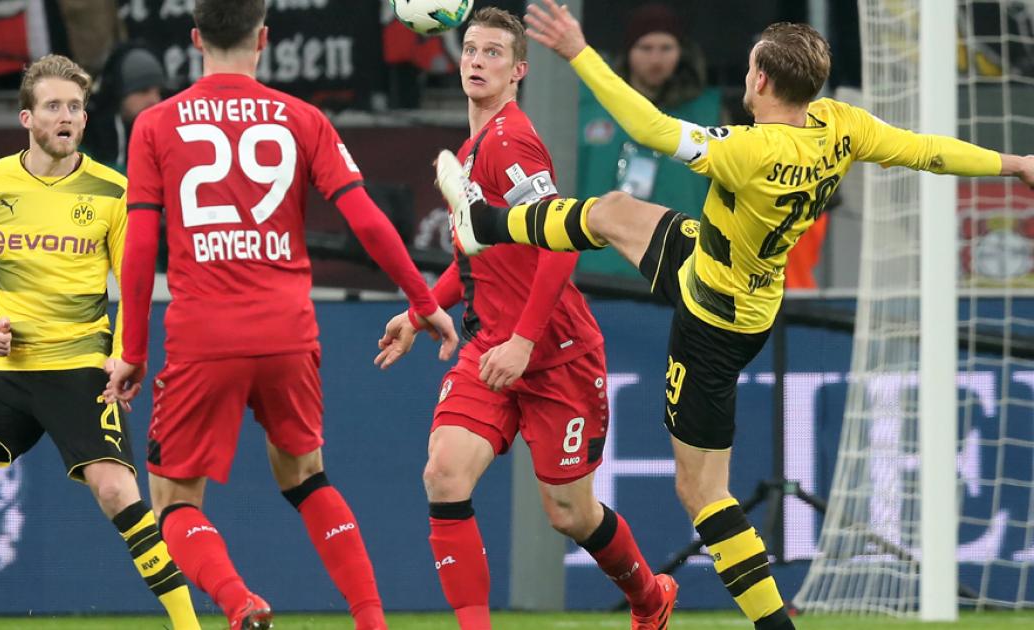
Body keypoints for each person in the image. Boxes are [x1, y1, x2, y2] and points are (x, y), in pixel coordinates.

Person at [438, 2, 1034, 628]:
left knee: (703, 493)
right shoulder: (842, 126)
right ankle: (487, 224)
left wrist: (580, 53)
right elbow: (926, 151)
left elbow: (650, 128)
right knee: (614, 211)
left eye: (750, 68)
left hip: (713, 323)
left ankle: (774, 625)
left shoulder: (748, 149)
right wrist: (1016, 163)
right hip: (719, 267)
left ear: (761, 80)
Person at [103, 1, 459, 629]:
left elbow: (138, 247)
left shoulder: (155, 124)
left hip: (204, 335)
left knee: (173, 502)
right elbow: (366, 219)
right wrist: (423, 301)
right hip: (288, 331)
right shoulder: (302, 118)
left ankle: (240, 603)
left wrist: (132, 350)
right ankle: (372, 622)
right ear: (264, 38)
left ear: (195, 39)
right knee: (306, 477)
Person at [375, 8, 675, 630]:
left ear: (519, 71)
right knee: (444, 474)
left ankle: (650, 598)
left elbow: (560, 242)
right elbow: (477, 256)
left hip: (554, 353)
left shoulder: (510, 142)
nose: (477, 60)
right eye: (471, 49)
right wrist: (421, 311)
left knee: (570, 514)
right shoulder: (470, 149)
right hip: (490, 346)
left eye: (493, 52)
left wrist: (523, 341)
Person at [0, 55, 199, 630]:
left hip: (81, 369)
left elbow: (134, 286)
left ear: (85, 118)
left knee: (118, 493)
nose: (66, 116)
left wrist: (123, 355)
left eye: (75, 106)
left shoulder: (114, 191)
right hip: (11, 370)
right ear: (27, 117)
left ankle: (189, 626)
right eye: (53, 106)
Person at [575, 3, 722, 279]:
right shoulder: (587, 107)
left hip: (679, 268)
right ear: (628, 52)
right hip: (597, 269)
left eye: (666, 48)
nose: (656, 59)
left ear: (681, 52)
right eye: (645, 48)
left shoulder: (708, 113)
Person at [83, 43, 167, 174]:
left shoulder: (166, 135)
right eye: (143, 90)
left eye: (159, 92)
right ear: (118, 93)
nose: (155, 100)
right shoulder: (85, 137)